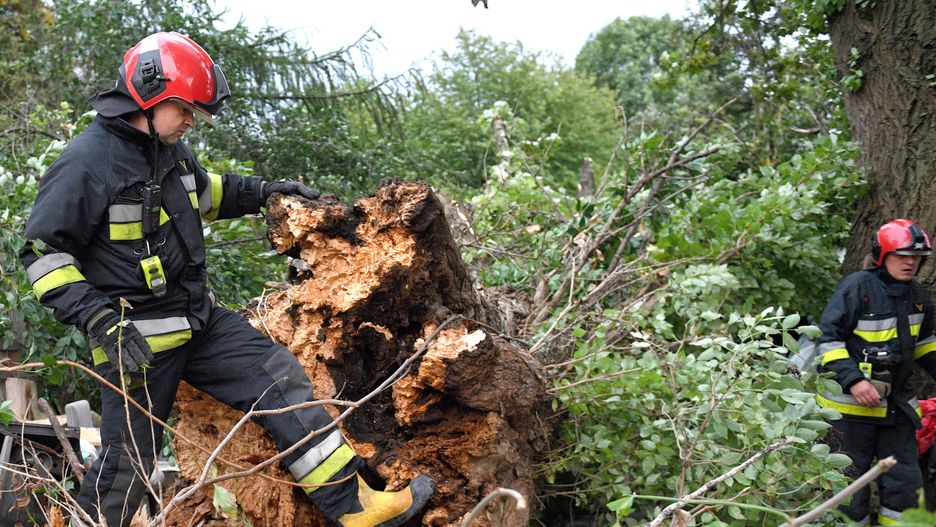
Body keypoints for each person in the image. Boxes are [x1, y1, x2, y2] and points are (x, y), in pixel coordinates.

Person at [19, 32, 434, 527]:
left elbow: (207, 191)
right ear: (149, 97)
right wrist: (99, 319)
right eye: (187, 109)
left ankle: (357, 510)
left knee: (281, 381)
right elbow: (42, 252)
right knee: (127, 468)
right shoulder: (88, 161)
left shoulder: (166, 149)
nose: (193, 120)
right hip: (136, 341)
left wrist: (265, 192)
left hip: (200, 322)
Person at [816, 218, 936, 526]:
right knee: (849, 490)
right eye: (902, 256)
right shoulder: (857, 288)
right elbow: (828, 340)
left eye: (916, 257)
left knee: (905, 487)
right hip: (849, 412)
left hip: (894, 409)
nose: (910, 263)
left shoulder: (919, 297)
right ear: (883, 255)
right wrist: (854, 381)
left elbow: (925, 346)